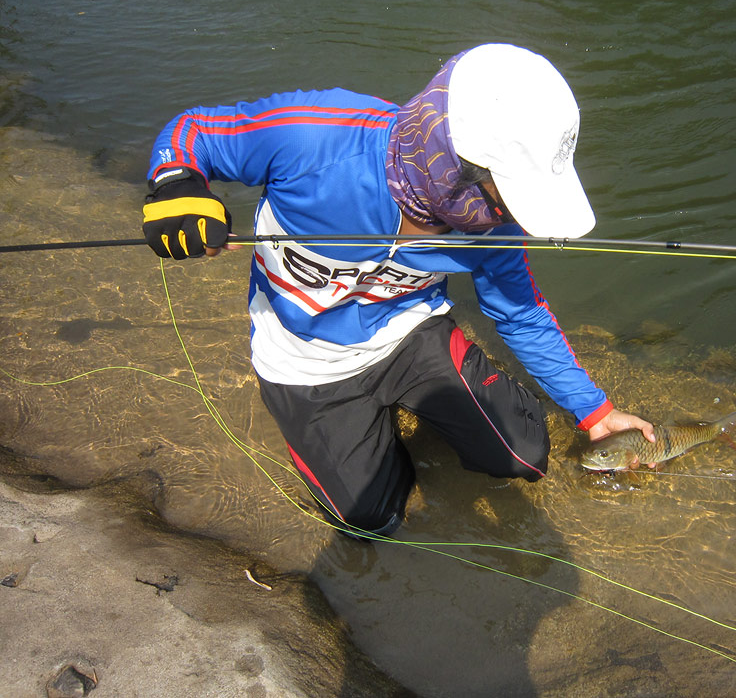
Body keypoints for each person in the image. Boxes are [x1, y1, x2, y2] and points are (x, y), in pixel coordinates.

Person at [141, 43, 654, 539]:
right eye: (511, 192)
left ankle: (430, 401)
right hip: (305, 361)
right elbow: (196, 133)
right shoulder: (312, 135)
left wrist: (596, 411)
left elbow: (522, 315)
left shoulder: (495, 230)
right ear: (458, 166)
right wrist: (177, 184)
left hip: (410, 336)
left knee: (523, 454)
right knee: (371, 519)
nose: (516, 214)